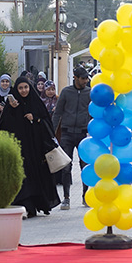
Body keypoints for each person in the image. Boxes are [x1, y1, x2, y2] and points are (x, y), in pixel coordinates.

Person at [0, 76, 61, 217]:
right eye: (20, 88)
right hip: (18, 150)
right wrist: (12, 110)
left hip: (36, 150)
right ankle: (25, 207)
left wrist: (36, 119)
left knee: (36, 177)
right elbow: (4, 127)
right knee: (22, 177)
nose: (23, 90)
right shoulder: (11, 105)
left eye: (26, 87)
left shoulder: (36, 103)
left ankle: (36, 205)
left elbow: (47, 124)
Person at [52, 66, 92, 210]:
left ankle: (85, 196)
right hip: (67, 133)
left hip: (83, 134)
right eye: (83, 78)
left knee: (85, 166)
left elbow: (94, 112)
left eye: (86, 78)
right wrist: (52, 132)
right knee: (66, 166)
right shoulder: (66, 92)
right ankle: (66, 198)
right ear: (75, 78)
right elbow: (58, 113)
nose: (85, 81)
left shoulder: (90, 93)